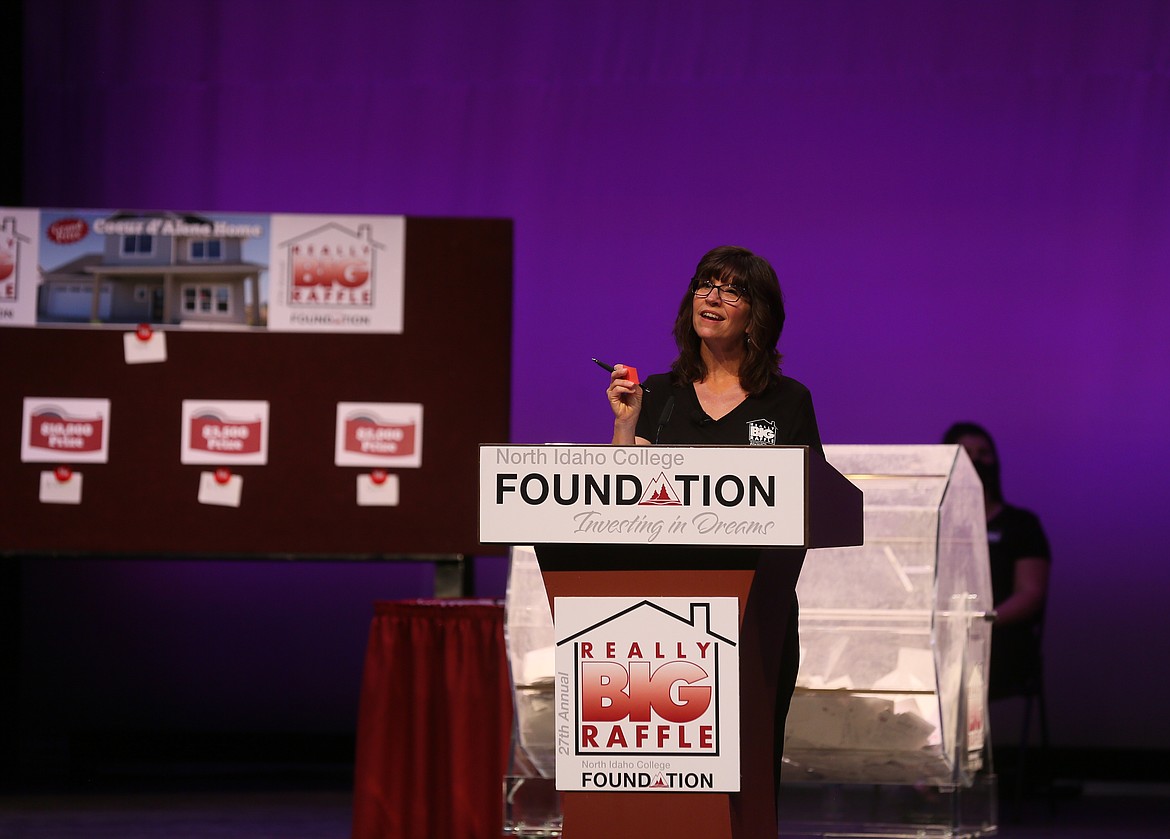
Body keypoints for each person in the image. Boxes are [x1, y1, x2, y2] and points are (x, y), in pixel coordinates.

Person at [605, 244, 823, 814]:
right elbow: (623, 501)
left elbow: (812, 500)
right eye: (706, 283)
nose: (713, 296)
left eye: (733, 290)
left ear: (759, 315)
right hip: (662, 613)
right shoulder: (661, 394)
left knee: (744, 774)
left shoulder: (788, 400)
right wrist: (625, 429)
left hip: (756, 610)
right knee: (671, 773)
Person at [943, 422, 1052, 701]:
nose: (976, 460)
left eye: (984, 453)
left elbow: (1031, 593)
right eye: (965, 452)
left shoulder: (1021, 525)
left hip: (998, 639)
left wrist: (980, 622)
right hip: (940, 634)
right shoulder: (932, 521)